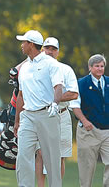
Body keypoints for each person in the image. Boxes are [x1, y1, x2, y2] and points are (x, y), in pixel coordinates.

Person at [13, 30, 64, 187]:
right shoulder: (24, 67)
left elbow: (58, 87)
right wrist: (16, 121)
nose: (21, 45)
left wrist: (55, 103)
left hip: (47, 114)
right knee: (23, 157)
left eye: (24, 42)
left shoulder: (51, 64)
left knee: (51, 159)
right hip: (27, 117)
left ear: (31, 44)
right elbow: (20, 96)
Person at [35, 37, 79, 187]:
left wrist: (54, 100)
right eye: (47, 48)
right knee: (40, 153)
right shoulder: (34, 67)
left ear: (58, 52)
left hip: (61, 114)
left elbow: (74, 93)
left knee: (59, 156)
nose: (50, 52)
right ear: (42, 50)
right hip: (41, 115)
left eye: (53, 49)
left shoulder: (65, 69)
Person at [70, 54, 109, 187]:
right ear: (90, 67)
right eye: (97, 66)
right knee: (86, 168)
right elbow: (75, 105)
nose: (100, 69)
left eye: (102, 66)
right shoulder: (81, 83)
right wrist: (84, 121)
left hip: (107, 131)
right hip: (88, 131)